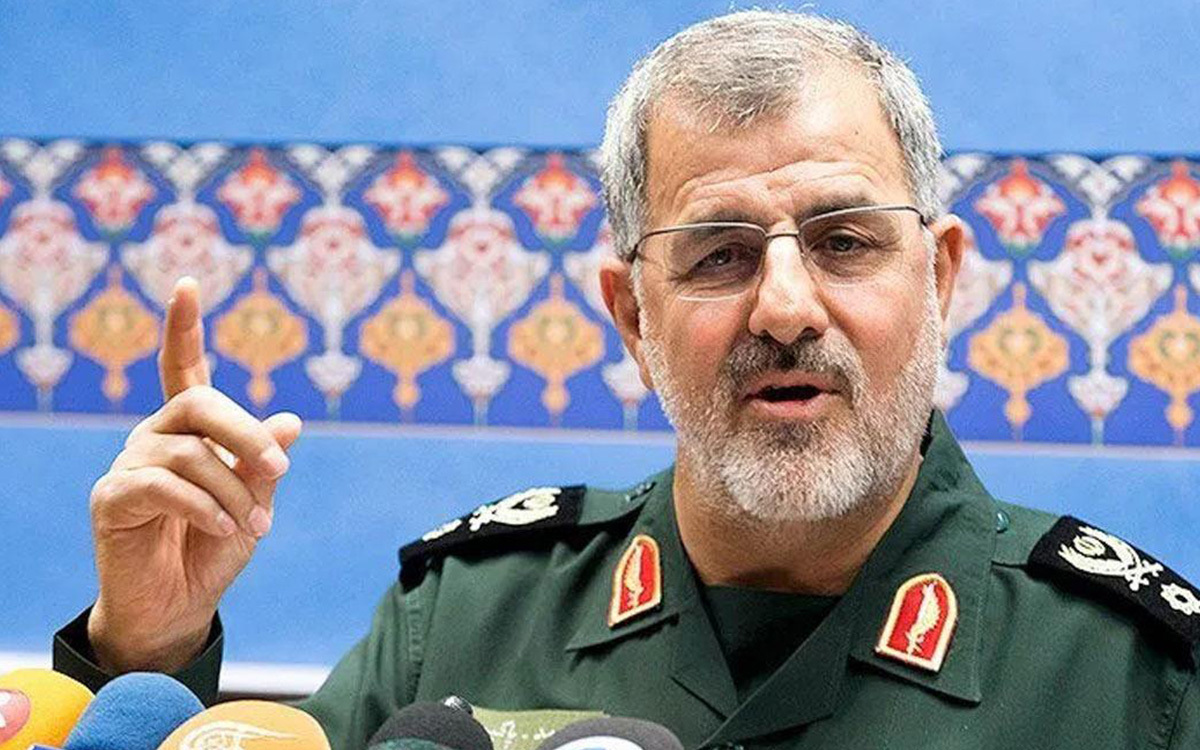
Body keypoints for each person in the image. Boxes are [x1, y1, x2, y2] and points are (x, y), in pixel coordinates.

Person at [53, 10, 1199, 749]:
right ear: (631, 315)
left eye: (845, 241)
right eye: (719, 254)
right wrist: (149, 647)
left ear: (939, 277)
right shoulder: (462, 621)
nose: (785, 308)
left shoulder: (1134, 681)